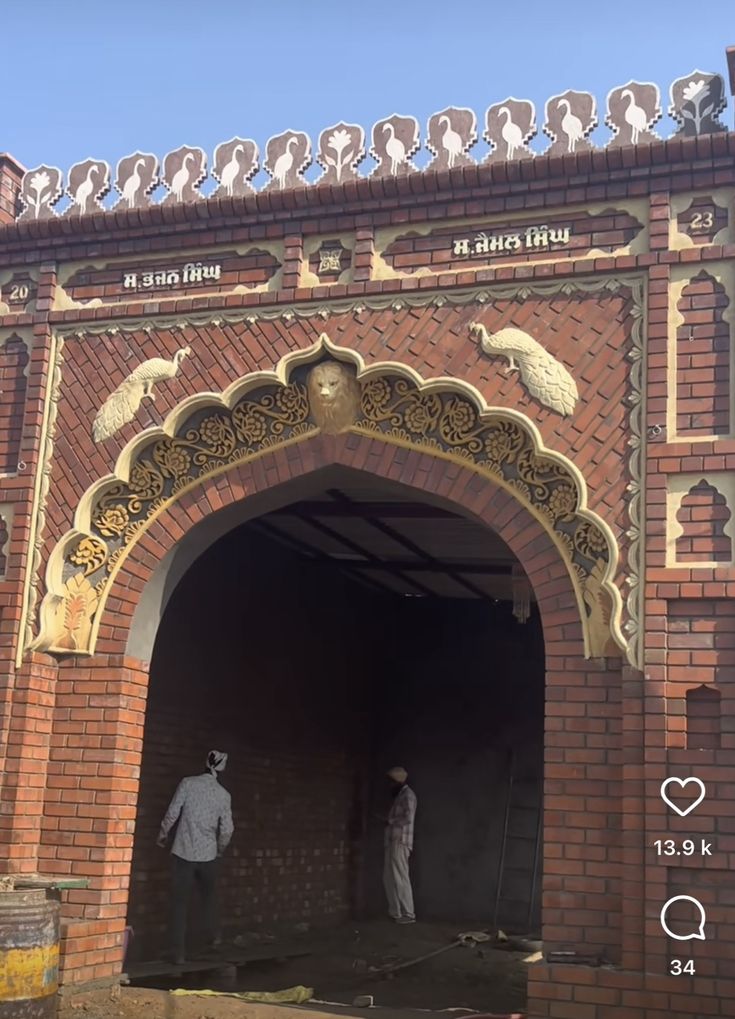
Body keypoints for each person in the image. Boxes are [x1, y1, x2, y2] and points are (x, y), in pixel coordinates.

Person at [157, 750, 234, 965]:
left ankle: (177, 953)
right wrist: (219, 849)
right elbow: (227, 830)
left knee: (179, 903)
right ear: (222, 768)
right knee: (208, 901)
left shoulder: (187, 784)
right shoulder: (223, 794)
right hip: (208, 855)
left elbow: (172, 813)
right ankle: (209, 946)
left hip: (183, 851)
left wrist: (163, 835)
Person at [382, 766, 417, 924]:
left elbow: (408, 818)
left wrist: (390, 821)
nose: (389, 785)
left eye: (390, 782)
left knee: (400, 877)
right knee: (389, 877)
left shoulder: (407, 795)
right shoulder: (400, 795)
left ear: (397, 781)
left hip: (400, 841)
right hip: (393, 841)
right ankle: (395, 912)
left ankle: (408, 913)